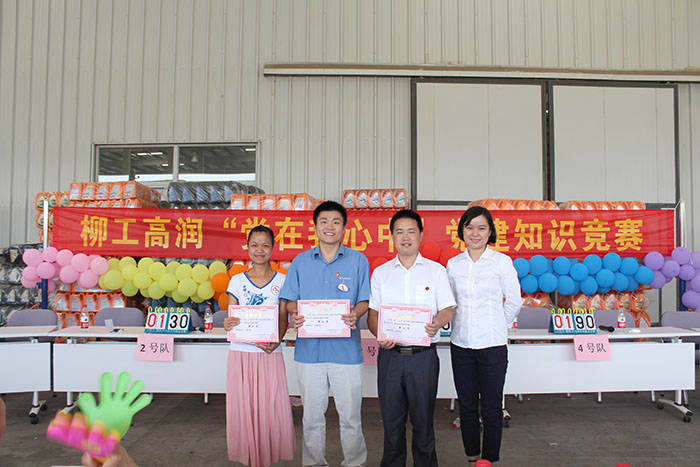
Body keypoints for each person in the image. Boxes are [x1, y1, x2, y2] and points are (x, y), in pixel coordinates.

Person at [280, 200, 369, 467]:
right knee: (312, 418)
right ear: (315, 226)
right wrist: (296, 312)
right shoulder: (301, 261)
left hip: (346, 353)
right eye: (324, 221)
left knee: (351, 418)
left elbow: (365, 300)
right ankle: (314, 463)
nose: (330, 227)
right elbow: (289, 300)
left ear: (344, 227)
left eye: (336, 222)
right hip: (310, 352)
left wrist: (356, 313)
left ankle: (354, 463)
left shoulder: (358, 260)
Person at [367, 209, 455, 467]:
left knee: (423, 421)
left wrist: (437, 322)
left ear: (421, 235)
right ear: (392, 236)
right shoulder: (381, 273)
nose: (405, 237)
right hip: (391, 357)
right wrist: (380, 334)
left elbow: (447, 309)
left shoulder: (436, 271)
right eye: (399, 232)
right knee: (392, 421)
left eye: (411, 231)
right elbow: (373, 315)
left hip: (423, 358)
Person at [446, 206, 521, 465]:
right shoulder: (454, 264)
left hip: (493, 346)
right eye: (469, 227)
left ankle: (488, 460)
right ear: (462, 231)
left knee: (491, 407)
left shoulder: (501, 262)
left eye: (481, 228)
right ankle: (472, 458)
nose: (475, 233)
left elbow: (514, 300)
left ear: (490, 232)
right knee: (467, 406)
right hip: (461, 345)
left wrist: (498, 325)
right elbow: (448, 302)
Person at [223, 225, 296, 467]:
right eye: (254, 245)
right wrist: (227, 323)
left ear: (273, 248)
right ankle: (249, 457)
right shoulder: (236, 281)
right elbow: (232, 316)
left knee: (269, 407)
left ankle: (266, 456)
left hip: (270, 353)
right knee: (245, 408)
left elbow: (283, 318)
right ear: (247, 247)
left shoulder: (283, 281)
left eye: (265, 245)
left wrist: (277, 340)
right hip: (242, 353)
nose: (259, 250)